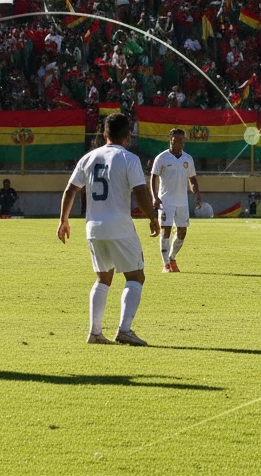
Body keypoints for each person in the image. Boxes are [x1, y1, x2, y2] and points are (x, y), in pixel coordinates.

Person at [56, 112, 159, 345]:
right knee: (136, 276)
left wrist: (63, 220)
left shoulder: (89, 157)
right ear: (128, 135)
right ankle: (124, 330)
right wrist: (152, 217)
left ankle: (95, 332)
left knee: (103, 278)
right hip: (119, 226)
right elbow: (141, 191)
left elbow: (70, 190)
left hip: (93, 227)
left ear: (104, 134)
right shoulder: (129, 158)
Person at [150, 127, 202, 272]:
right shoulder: (162, 158)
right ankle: (166, 264)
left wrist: (197, 195)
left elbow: (192, 178)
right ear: (171, 140)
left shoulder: (188, 159)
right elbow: (153, 177)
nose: (180, 143)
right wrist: (154, 197)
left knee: (182, 232)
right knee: (166, 230)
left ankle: (172, 257)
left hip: (182, 202)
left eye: (182, 140)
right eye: (177, 140)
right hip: (165, 201)